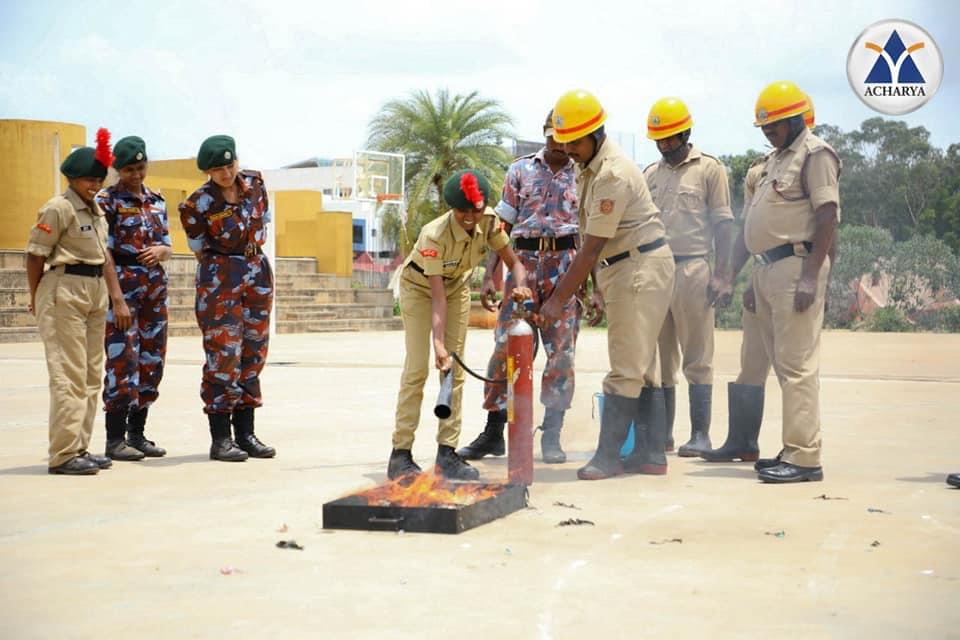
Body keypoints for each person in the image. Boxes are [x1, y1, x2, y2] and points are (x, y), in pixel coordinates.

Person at [539, 89, 675, 481]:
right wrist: (593, 287)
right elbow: (593, 243)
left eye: (576, 143)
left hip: (638, 268)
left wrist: (557, 301)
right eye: (566, 144)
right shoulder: (591, 167)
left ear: (596, 134)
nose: (571, 151)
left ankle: (609, 456)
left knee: (625, 367)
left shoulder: (612, 172)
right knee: (643, 365)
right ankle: (651, 456)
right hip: (627, 266)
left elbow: (592, 246)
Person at [458, 110, 602, 465]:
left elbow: (594, 236)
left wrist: (597, 287)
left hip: (566, 269)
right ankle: (494, 431)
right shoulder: (520, 170)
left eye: (566, 138)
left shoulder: (585, 174)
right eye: (554, 136)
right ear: (544, 133)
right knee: (505, 350)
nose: (560, 144)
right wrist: (490, 273)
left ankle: (552, 435)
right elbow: (500, 228)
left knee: (562, 354)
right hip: (520, 265)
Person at [713, 81, 840, 483]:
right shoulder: (771, 162)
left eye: (774, 125)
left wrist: (811, 275)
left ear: (794, 118)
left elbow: (827, 216)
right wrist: (743, 277)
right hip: (766, 271)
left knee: (798, 365)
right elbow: (754, 225)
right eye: (763, 126)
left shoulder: (815, 154)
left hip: (795, 267)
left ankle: (805, 458)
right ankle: (791, 448)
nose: (768, 131)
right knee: (781, 365)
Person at [388, 170, 532, 481]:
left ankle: (447, 454)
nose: (470, 217)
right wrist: (438, 344)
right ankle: (400, 454)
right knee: (417, 369)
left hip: (458, 289)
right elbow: (436, 296)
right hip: (419, 288)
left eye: (475, 210)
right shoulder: (433, 235)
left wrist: (521, 286)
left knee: (453, 372)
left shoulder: (490, 222)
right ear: (452, 207)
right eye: (463, 210)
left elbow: (515, 262)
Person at [25, 131, 132, 475]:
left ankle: (80, 446)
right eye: (89, 179)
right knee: (67, 375)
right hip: (64, 289)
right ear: (72, 178)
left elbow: (104, 257)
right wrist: (36, 297)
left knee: (90, 375)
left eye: (99, 180)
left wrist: (115, 297)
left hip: (94, 289)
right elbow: (34, 256)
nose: (94, 185)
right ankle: (63, 453)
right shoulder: (58, 208)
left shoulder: (96, 211)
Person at [642, 97, 734, 457]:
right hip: (656, 269)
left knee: (697, 354)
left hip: (694, 268)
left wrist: (724, 275)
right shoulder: (650, 173)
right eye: (658, 140)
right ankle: (663, 435)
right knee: (661, 356)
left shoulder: (710, 170)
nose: (664, 146)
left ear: (685, 133)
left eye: (670, 138)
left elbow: (724, 224)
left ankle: (700, 435)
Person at [179, 135, 275, 462]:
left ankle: (246, 434)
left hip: (257, 270)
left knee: (254, 349)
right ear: (207, 171)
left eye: (229, 165)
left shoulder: (255, 182)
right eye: (217, 169)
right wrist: (225, 269)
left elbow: (263, 222)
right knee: (223, 353)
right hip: (220, 274)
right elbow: (197, 249)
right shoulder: (196, 204)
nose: (226, 173)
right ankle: (221, 439)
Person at [96, 136, 171, 461]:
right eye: (129, 169)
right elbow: (103, 252)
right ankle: (114, 439)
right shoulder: (107, 200)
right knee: (122, 361)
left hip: (154, 290)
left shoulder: (157, 199)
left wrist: (163, 250)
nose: (136, 175)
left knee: (151, 361)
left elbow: (167, 242)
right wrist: (117, 299)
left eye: (141, 168)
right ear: (117, 169)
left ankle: (137, 434)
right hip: (123, 288)